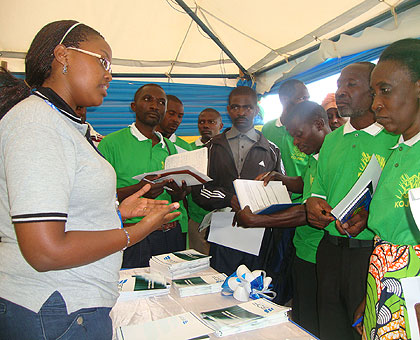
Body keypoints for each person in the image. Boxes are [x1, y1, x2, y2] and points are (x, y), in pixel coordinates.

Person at [0, 20, 180, 339]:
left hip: (64, 304)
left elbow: (63, 210)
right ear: (63, 55)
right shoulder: (37, 126)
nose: (109, 73)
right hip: (56, 307)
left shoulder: (59, 124)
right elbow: (46, 251)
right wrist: (134, 232)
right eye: (103, 61)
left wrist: (118, 212)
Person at [305, 62, 400, 340]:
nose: (341, 92)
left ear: (373, 92)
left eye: (351, 85)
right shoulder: (332, 141)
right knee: (331, 330)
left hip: (370, 255)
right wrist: (312, 204)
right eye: (339, 85)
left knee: (366, 331)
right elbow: (318, 191)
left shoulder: (394, 139)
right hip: (330, 253)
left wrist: (371, 213)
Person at [235, 101, 331, 336]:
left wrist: (257, 221)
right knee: (303, 316)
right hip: (303, 248)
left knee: (317, 322)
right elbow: (307, 186)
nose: (296, 143)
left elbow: (308, 211)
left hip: (320, 253)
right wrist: (283, 179)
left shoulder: (333, 157)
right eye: (292, 137)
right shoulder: (316, 157)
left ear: (319, 124)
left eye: (299, 135)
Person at [360, 38, 420, 340]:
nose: (375, 104)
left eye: (386, 90)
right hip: (384, 282)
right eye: (374, 93)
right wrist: (373, 293)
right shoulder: (399, 150)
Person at [192, 86, 282, 276]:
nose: (241, 112)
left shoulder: (272, 149)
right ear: (228, 110)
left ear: (256, 110)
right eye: (235, 107)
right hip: (223, 232)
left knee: (255, 289)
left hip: (259, 234)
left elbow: (282, 191)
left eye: (247, 107)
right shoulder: (211, 147)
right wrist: (228, 199)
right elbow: (198, 190)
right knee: (220, 288)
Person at [98, 84, 190, 268]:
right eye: (148, 99)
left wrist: (179, 193)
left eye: (161, 102)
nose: (155, 106)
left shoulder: (171, 148)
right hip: (134, 234)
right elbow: (99, 195)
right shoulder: (110, 144)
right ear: (133, 106)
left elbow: (177, 197)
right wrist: (140, 190)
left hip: (170, 233)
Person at [262, 79, 309, 200]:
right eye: (301, 98)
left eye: (307, 98)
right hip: (274, 199)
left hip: (302, 199)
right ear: (284, 99)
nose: (306, 103)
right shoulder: (267, 129)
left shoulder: (309, 131)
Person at [188, 108, 224, 255]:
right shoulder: (188, 150)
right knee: (198, 261)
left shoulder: (227, 149)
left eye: (211, 122)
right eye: (202, 122)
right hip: (197, 217)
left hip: (223, 217)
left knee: (220, 261)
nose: (206, 125)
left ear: (220, 126)